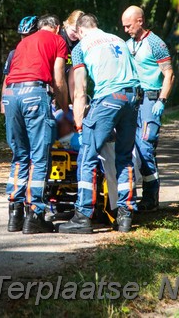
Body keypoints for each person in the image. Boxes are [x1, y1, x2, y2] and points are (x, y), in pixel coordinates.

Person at [58, 13, 140, 234]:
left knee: (87, 156)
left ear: (81, 30)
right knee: (124, 157)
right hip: (132, 99)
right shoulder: (118, 40)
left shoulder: (80, 46)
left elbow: (80, 89)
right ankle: (125, 215)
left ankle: (83, 216)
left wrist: (78, 122)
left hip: (108, 100)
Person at [2, 15, 69, 234]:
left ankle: (15, 213)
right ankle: (35, 215)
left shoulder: (23, 42)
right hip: (34, 93)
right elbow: (58, 77)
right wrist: (64, 107)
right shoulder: (58, 41)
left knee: (19, 155)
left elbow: (9, 74)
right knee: (39, 157)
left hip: (11, 94)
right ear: (57, 27)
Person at [121, 6, 175, 211]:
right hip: (132, 99)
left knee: (145, 147)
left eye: (129, 25)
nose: (126, 29)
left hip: (150, 100)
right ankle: (129, 193)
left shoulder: (156, 43)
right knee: (129, 146)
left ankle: (151, 196)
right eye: (124, 26)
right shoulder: (127, 44)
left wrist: (162, 100)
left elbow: (169, 75)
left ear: (140, 21)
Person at [0, 15, 38, 114]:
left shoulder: (40, 53)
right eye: (22, 36)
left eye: (28, 35)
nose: (24, 39)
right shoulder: (13, 53)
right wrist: (3, 101)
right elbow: (6, 79)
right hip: (14, 97)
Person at [59, 10, 82, 99]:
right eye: (73, 30)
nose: (76, 35)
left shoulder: (80, 42)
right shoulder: (59, 38)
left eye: (78, 32)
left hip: (72, 83)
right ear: (67, 24)